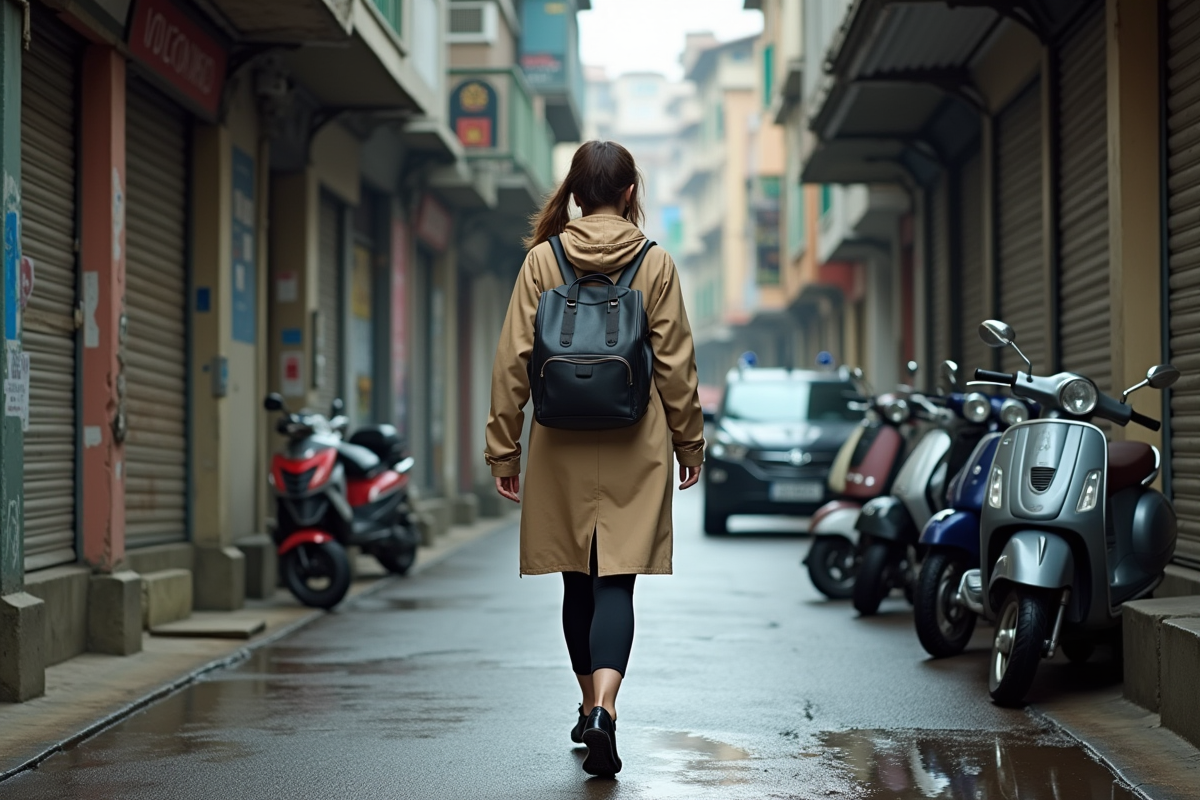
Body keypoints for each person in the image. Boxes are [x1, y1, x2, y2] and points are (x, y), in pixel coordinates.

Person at [485, 140, 705, 777]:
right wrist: (689, 442)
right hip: (636, 441)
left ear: (575, 193)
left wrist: (504, 449)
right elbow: (676, 365)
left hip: (558, 442)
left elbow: (511, 364)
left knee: (575, 578)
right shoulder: (655, 263)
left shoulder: (541, 261)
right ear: (630, 192)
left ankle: (585, 705)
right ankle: (608, 706)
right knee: (618, 581)